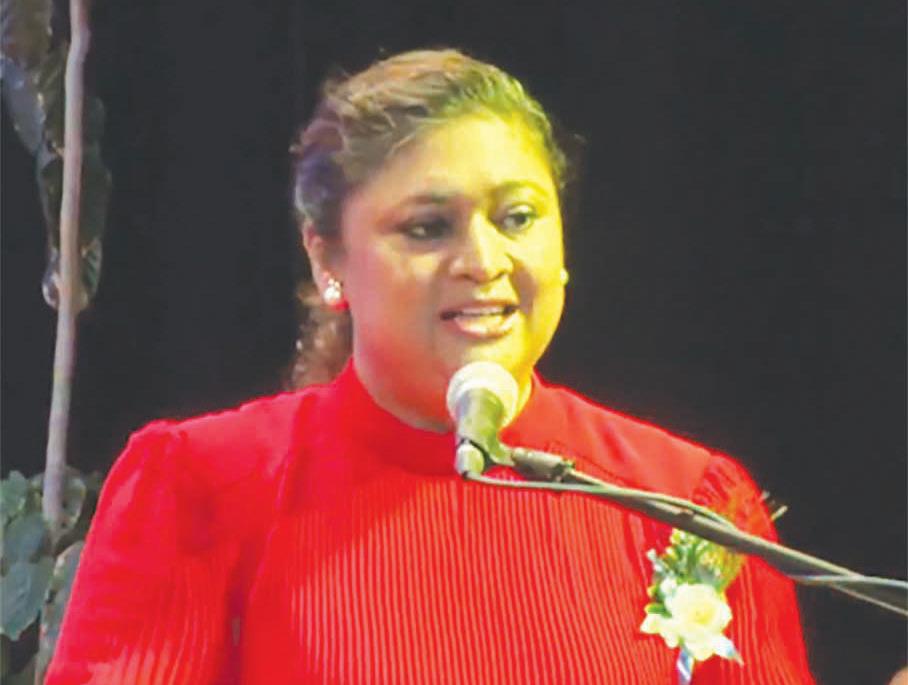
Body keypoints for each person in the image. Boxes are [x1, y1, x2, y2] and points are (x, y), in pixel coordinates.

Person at [47, 49, 815, 683]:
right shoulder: (201, 489)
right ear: (328, 260)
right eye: (427, 227)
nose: (484, 259)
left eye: (518, 217)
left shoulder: (686, 499)